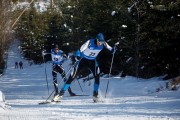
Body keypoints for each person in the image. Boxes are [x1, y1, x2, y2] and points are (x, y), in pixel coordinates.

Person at [53, 33, 115, 102]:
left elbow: (111, 49)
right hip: (83, 60)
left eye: (101, 42)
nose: (100, 44)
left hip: (92, 61)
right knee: (72, 77)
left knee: (97, 76)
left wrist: (113, 50)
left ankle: (95, 95)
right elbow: (79, 50)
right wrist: (77, 56)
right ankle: (60, 94)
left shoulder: (103, 43)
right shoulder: (90, 42)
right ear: (96, 39)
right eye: (99, 42)